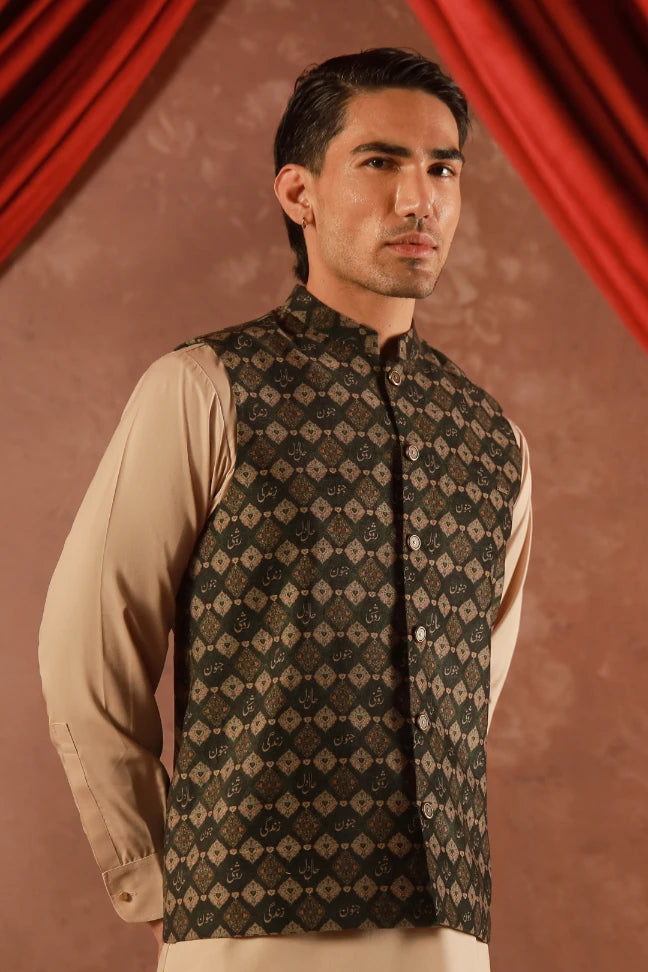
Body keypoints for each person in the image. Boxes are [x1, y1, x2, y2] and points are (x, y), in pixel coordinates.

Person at [38, 48, 533, 972]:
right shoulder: (204, 389)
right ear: (299, 193)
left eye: (442, 169)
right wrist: (157, 877)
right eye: (380, 162)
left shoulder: (492, 441)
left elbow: (469, 694)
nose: (419, 200)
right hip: (245, 932)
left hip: (446, 936)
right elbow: (86, 649)